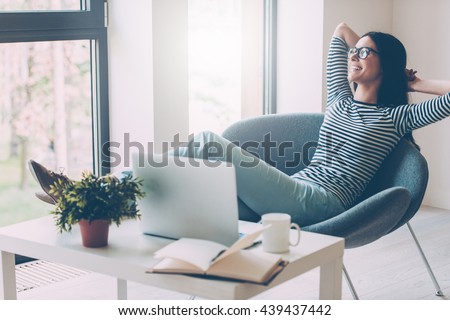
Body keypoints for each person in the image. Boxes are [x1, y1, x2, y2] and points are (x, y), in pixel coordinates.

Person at [29, 22, 450, 227]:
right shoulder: (338, 98)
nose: (354, 57)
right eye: (354, 53)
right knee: (184, 177)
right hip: (299, 185)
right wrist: (365, 48)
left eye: (366, 54)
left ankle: (94, 193)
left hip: (323, 203)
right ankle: (95, 197)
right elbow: (340, 30)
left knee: (210, 142)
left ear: (386, 67)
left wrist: (411, 80)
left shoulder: (397, 117)